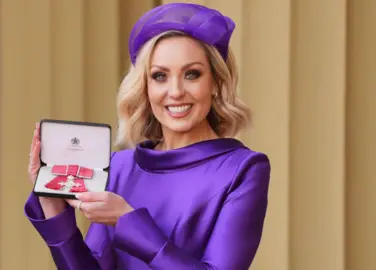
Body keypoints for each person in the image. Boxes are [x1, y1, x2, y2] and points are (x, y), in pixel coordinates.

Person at [25, 2, 271, 270]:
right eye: (160, 76)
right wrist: (51, 205)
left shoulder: (243, 170)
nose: (175, 91)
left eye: (192, 74)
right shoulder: (119, 167)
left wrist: (128, 222)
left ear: (215, 83)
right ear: (145, 87)